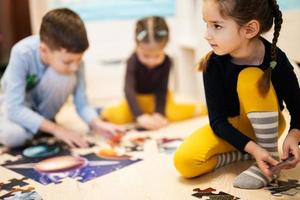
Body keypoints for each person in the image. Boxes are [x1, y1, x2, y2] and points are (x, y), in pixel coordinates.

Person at [174, 0, 300, 189]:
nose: (207, 35)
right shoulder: (213, 64)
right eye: (206, 24)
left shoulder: (276, 60)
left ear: (249, 29)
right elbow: (218, 122)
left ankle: (269, 157)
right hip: (231, 130)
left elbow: (298, 110)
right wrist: (252, 148)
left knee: (250, 77)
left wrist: (294, 135)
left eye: (217, 26)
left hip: (268, 128)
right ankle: (244, 153)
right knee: (185, 162)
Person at [0, 8, 122, 149]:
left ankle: (40, 127)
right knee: (14, 136)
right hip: (11, 106)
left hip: (42, 112)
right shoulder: (22, 53)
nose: (75, 67)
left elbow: (82, 103)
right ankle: (39, 128)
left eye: (79, 60)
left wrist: (96, 124)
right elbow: (15, 109)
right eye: (68, 62)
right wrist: (57, 129)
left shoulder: (73, 58)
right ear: (44, 50)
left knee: (65, 77)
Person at [102, 16, 207, 130]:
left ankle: (198, 108)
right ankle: (104, 112)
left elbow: (162, 90)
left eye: (157, 56)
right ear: (137, 46)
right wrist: (139, 116)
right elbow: (129, 90)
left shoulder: (167, 61)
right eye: (146, 56)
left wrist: (159, 113)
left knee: (172, 113)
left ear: (165, 46)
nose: (151, 61)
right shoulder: (132, 60)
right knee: (118, 116)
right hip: (137, 99)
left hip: (158, 99)